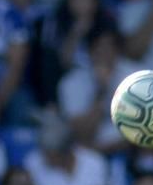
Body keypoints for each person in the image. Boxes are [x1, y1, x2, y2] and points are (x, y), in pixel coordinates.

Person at [57, 23, 141, 153]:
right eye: (98, 48)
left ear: (118, 51)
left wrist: (102, 149)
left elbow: (145, 128)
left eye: (109, 47)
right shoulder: (72, 82)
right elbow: (82, 134)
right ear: (90, 52)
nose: (104, 54)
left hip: (129, 152)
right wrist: (101, 90)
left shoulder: (137, 77)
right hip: (85, 152)